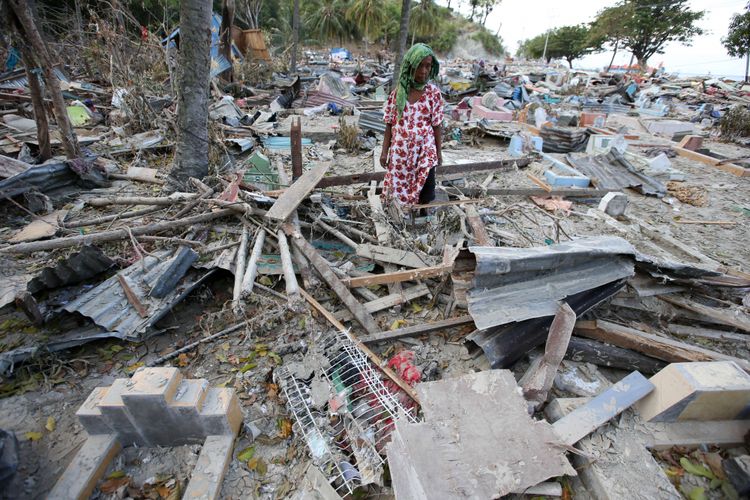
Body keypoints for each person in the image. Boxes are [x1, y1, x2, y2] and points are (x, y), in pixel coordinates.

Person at [380, 43, 444, 208]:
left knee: (427, 184)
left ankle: (423, 213)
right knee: (398, 185)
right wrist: (384, 152)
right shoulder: (398, 93)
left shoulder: (433, 94)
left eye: (428, 66)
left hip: (425, 148)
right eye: (419, 66)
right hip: (401, 149)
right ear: (410, 66)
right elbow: (389, 124)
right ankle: (400, 213)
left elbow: (437, 125)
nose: (423, 71)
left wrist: (438, 153)